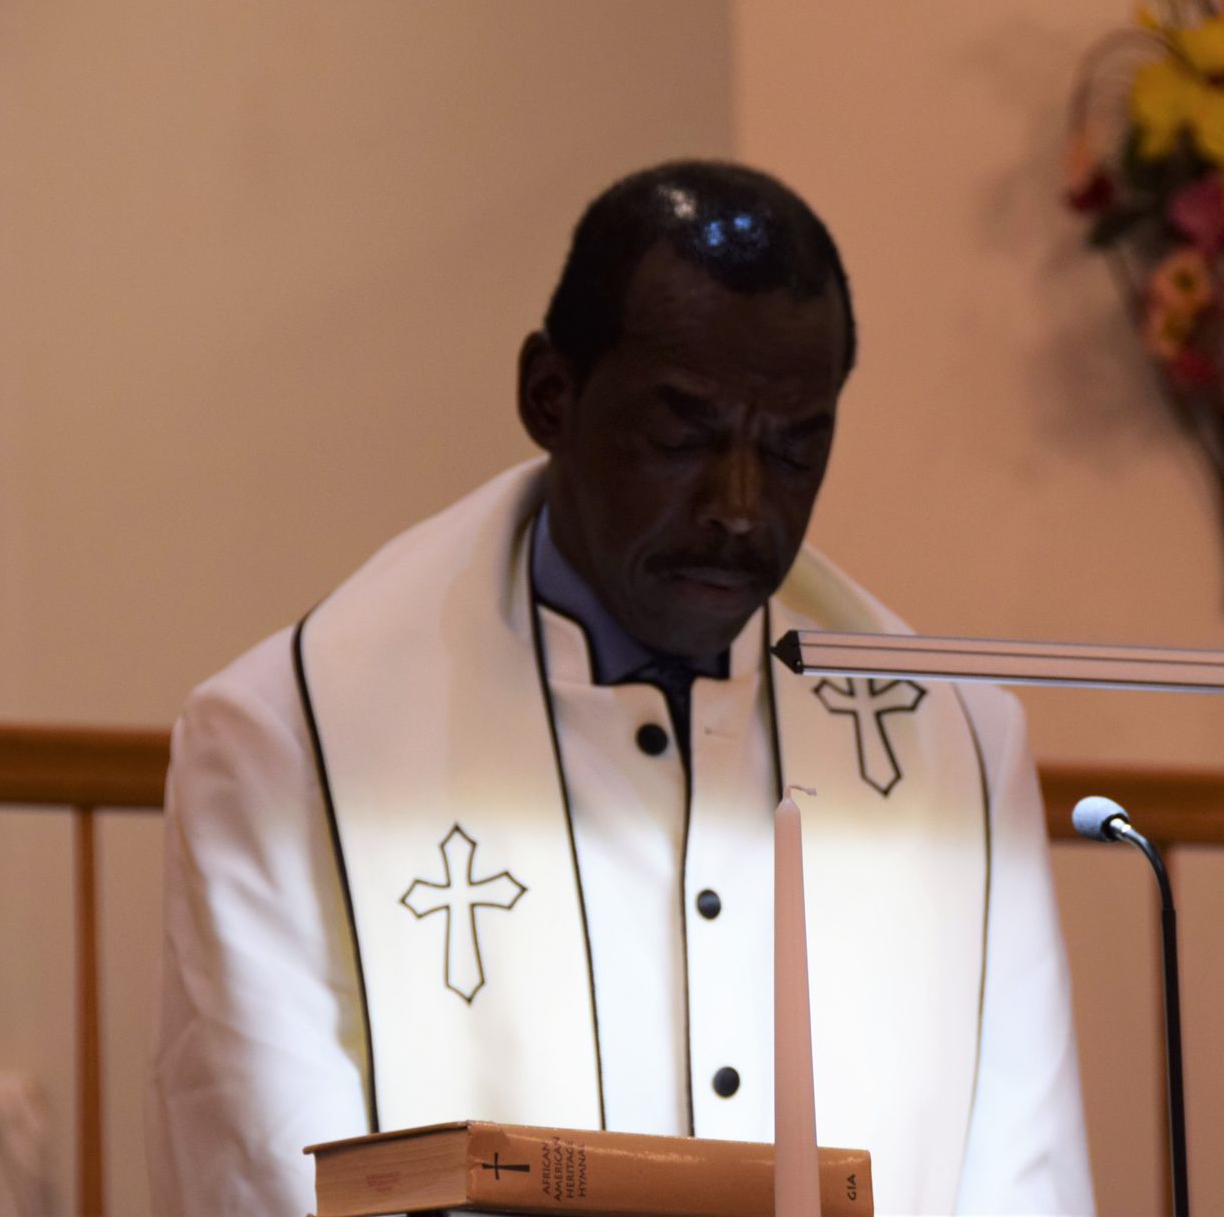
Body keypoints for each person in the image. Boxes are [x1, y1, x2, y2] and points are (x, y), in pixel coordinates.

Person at [146, 161, 1094, 1216]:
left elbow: (1024, 1174)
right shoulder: (290, 743)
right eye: (682, 434)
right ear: (550, 395)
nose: (741, 508)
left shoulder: (958, 744)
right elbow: (274, 1176)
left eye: (792, 446)